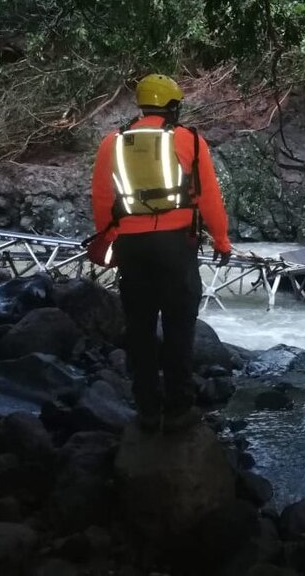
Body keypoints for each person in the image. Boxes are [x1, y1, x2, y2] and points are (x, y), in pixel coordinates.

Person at [90, 73, 231, 433]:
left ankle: (148, 410)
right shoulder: (189, 141)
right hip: (176, 246)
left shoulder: (113, 142)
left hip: (131, 248)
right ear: (172, 106)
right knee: (178, 328)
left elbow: (103, 200)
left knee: (139, 329)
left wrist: (108, 238)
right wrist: (221, 240)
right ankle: (179, 409)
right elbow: (208, 198)